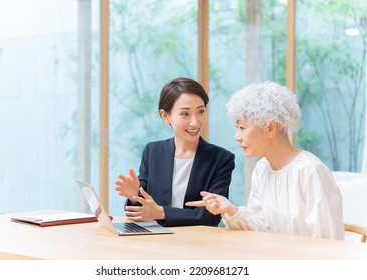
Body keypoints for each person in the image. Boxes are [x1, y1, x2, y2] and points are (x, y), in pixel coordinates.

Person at [186, 81, 345, 240]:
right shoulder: (262, 168)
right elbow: (260, 229)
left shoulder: (310, 171)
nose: (237, 137)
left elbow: (329, 243)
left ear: (270, 128)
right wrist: (230, 209)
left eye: (241, 127)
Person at [114, 77, 235, 227]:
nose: (195, 122)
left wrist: (161, 212)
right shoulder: (152, 152)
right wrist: (134, 196)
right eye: (185, 114)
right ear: (165, 116)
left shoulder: (221, 159)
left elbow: (211, 216)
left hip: (198, 243)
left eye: (201, 111)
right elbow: (141, 212)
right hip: (155, 240)